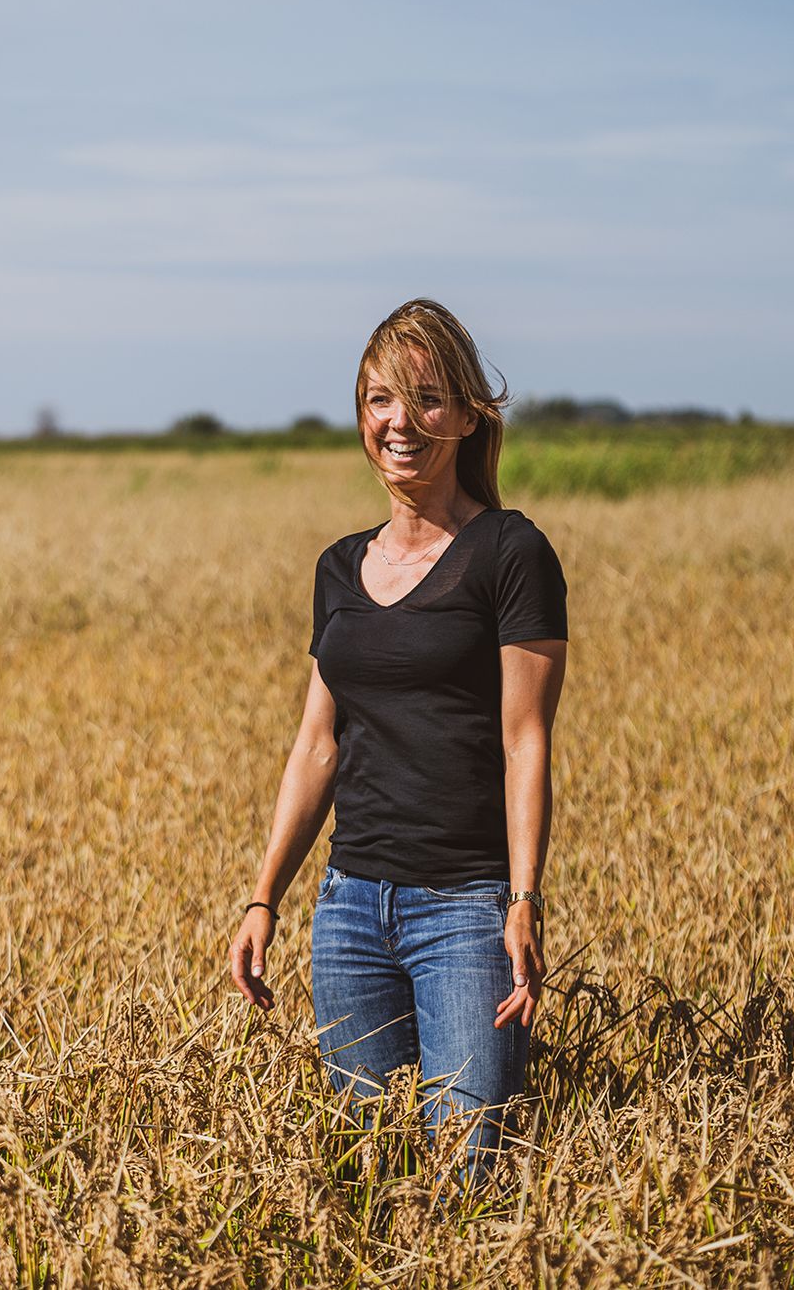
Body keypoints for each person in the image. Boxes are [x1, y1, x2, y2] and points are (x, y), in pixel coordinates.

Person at [226, 298, 568, 1191]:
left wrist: (523, 897)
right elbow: (315, 747)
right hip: (348, 912)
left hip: (464, 909)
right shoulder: (339, 567)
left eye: (424, 398)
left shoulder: (509, 551)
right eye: (380, 399)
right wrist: (266, 896)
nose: (399, 422)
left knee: (471, 1176)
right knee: (363, 1173)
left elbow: (526, 741)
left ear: (464, 414)